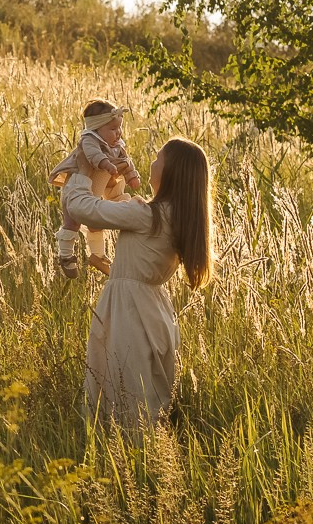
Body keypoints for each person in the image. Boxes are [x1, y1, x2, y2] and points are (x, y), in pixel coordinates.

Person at [60, 136, 213, 433]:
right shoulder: (175, 217)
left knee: (123, 389)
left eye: (158, 159)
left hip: (129, 313)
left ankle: (126, 462)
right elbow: (141, 263)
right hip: (154, 311)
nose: (152, 163)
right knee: (145, 393)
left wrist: (80, 172)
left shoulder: (147, 215)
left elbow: (82, 208)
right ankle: (148, 458)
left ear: (170, 173)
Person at [49, 99, 143, 277]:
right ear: (97, 129)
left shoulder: (117, 145)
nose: (118, 133)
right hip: (76, 185)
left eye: (119, 128)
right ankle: (66, 255)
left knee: (95, 224)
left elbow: (126, 161)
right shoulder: (89, 139)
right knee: (72, 222)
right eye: (113, 129)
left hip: (96, 190)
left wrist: (132, 176)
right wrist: (106, 163)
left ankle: (98, 255)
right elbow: (93, 155)